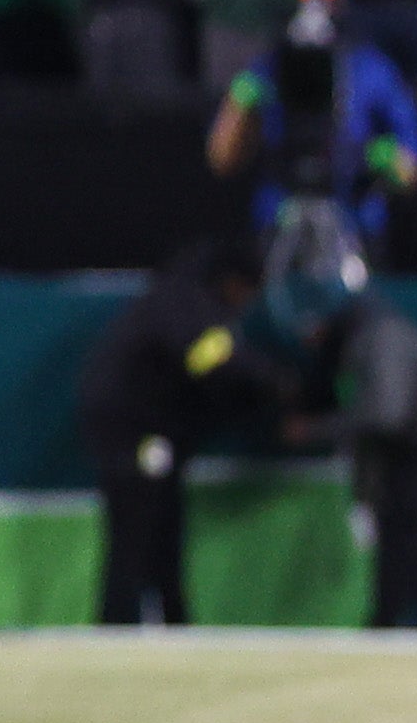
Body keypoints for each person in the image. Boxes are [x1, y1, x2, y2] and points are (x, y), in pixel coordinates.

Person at [269, 205, 417, 631]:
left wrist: (315, 430)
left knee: (404, 523)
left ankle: (386, 624)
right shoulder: (365, 333)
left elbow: (387, 414)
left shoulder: (377, 338)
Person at [76, 240, 282, 627]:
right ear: (234, 281)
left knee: (164, 529)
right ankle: (117, 627)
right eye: (248, 291)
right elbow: (208, 357)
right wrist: (269, 379)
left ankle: (173, 623)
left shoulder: (191, 300)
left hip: (154, 436)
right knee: (134, 533)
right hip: (131, 433)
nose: (247, 302)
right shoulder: (185, 301)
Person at [207, 0, 417, 251]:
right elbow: (222, 160)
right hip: (280, 218)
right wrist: (238, 106)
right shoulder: (268, 69)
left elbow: (411, 169)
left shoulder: (371, 69)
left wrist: (385, 158)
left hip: (353, 220)